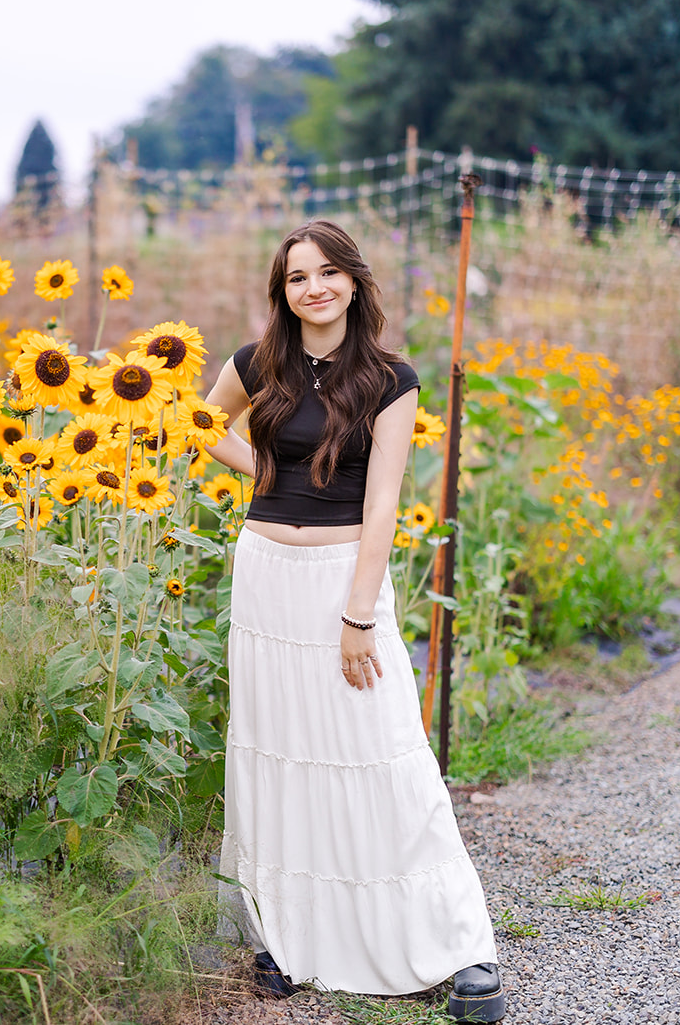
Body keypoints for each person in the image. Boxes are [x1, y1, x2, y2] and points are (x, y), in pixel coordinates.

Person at [204, 220, 504, 1022]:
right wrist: (262, 467)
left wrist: (359, 614)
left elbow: (383, 507)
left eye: (329, 272)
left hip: (343, 580)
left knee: (385, 753)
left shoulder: (391, 380)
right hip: (266, 578)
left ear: (354, 282)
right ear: (284, 292)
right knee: (281, 753)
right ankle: (291, 939)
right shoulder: (255, 364)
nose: (315, 288)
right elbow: (198, 425)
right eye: (299, 277)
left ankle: (460, 944)